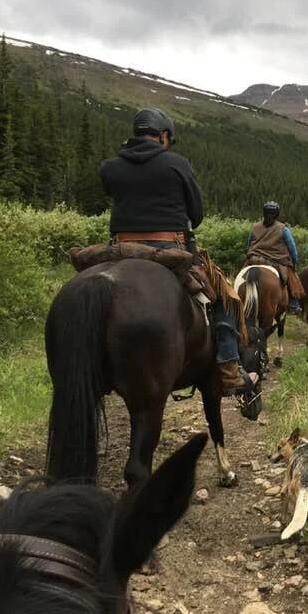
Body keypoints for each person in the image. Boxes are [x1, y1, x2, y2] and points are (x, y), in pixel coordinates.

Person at [100, 107, 257, 397]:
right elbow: (196, 215)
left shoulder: (110, 167)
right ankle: (228, 368)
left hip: (120, 248)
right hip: (169, 247)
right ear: (163, 135)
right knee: (224, 298)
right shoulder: (177, 164)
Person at [245, 201, 303, 313]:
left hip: (254, 259)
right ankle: (294, 304)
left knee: (241, 275)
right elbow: (292, 248)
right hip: (276, 261)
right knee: (293, 280)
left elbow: (248, 244)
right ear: (277, 214)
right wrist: (294, 263)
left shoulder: (255, 227)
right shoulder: (283, 229)